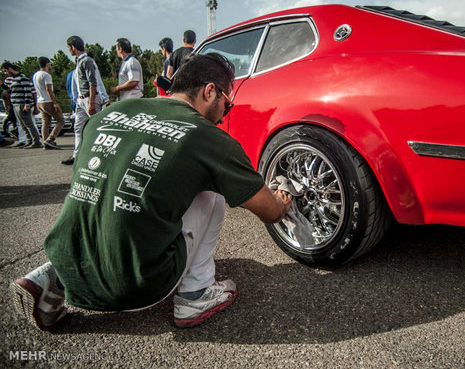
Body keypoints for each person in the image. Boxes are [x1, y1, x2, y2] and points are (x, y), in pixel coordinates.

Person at [10, 53, 292, 331]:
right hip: (136, 284)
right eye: (226, 104)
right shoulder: (208, 138)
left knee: (99, 191)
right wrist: (281, 201)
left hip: (69, 264)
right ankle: (197, 294)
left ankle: (48, 277)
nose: (223, 115)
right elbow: (270, 213)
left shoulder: (105, 116)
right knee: (213, 190)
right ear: (210, 91)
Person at [62, 35, 102, 165]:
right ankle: (76, 156)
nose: (69, 50)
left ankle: (99, 156)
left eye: (69, 48)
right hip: (81, 99)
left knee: (96, 128)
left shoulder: (87, 61)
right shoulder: (79, 61)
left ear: (73, 47)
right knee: (78, 128)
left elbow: (92, 82)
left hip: (89, 98)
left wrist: (91, 102)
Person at [1, 61, 42, 148]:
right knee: (22, 125)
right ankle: (28, 140)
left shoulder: (22, 78)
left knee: (28, 124)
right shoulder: (14, 79)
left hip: (22, 104)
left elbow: (27, 91)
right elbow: (11, 91)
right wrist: (3, 85)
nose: (6, 73)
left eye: (5, 71)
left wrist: (27, 104)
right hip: (15, 103)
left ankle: (36, 141)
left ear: (10, 68)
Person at [32, 57, 65, 149]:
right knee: (61, 120)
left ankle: (45, 142)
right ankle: (50, 139)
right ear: (47, 64)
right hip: (47, 101)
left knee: (45, 123)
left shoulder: (35, 75)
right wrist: (54, 103)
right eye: (50, 64)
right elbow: (48, 89)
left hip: (39, 101)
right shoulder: (46, 75)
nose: (50, 66)